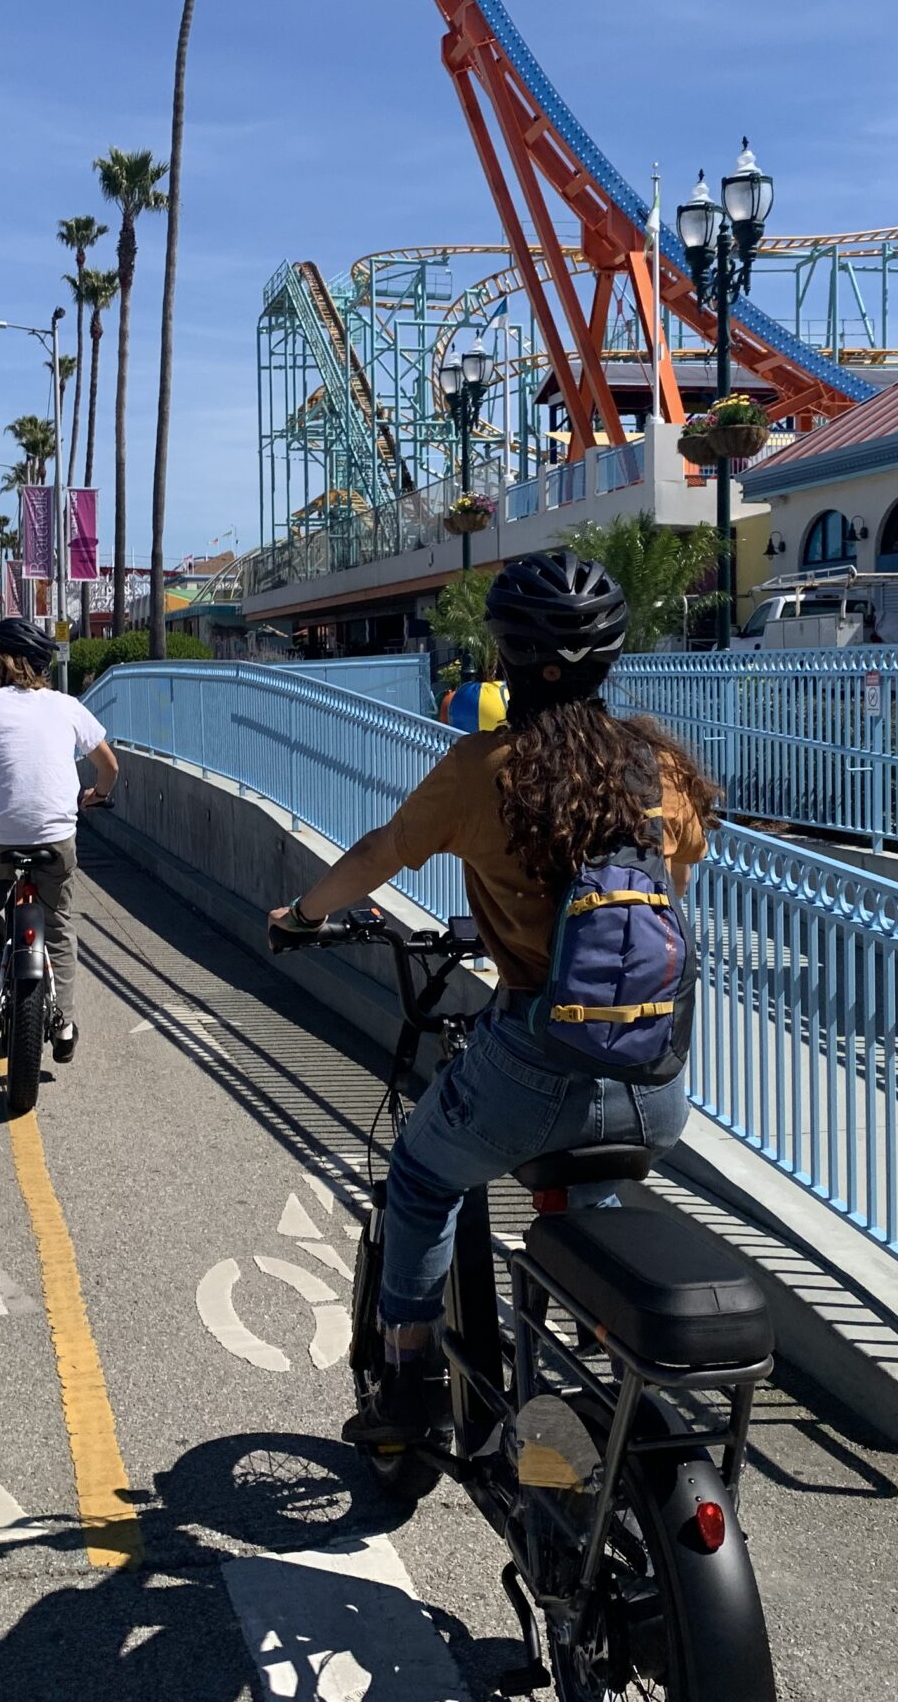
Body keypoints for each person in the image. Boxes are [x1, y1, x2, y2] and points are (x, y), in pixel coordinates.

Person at [267, 552, 720, 1447]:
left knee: (424, 1178)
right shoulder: (656, 765)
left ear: (507, 657)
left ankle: (409, 1382)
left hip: (536, 1064)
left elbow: (380, 856)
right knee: (589, 1194)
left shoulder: (486, 766)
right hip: (657, 1076)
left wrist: (302, 915)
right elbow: (654, 894)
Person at [0, 617, 118, 1062]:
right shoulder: (67, 705)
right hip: (57, 837)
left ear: (7, 661)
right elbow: (110, 767)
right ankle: (64, 1024)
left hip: (0, 836)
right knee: (59, 926)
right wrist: (97, 795)